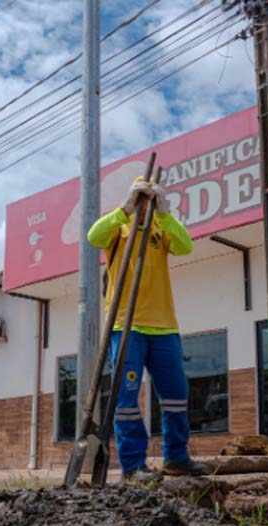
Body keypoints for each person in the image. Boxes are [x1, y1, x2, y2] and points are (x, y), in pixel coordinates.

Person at [88, 179, 209, 482]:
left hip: (164, 327)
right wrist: (123, 209)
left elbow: (185, 246)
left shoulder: (160, 230)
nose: (144, 207)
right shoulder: (119, 229)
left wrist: (166, 213)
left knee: (176, 395)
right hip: (125, 326)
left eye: (149, 201)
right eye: (140, 200)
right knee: (126, 398)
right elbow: (93, 236)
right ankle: (132, 466)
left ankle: (177, 458)